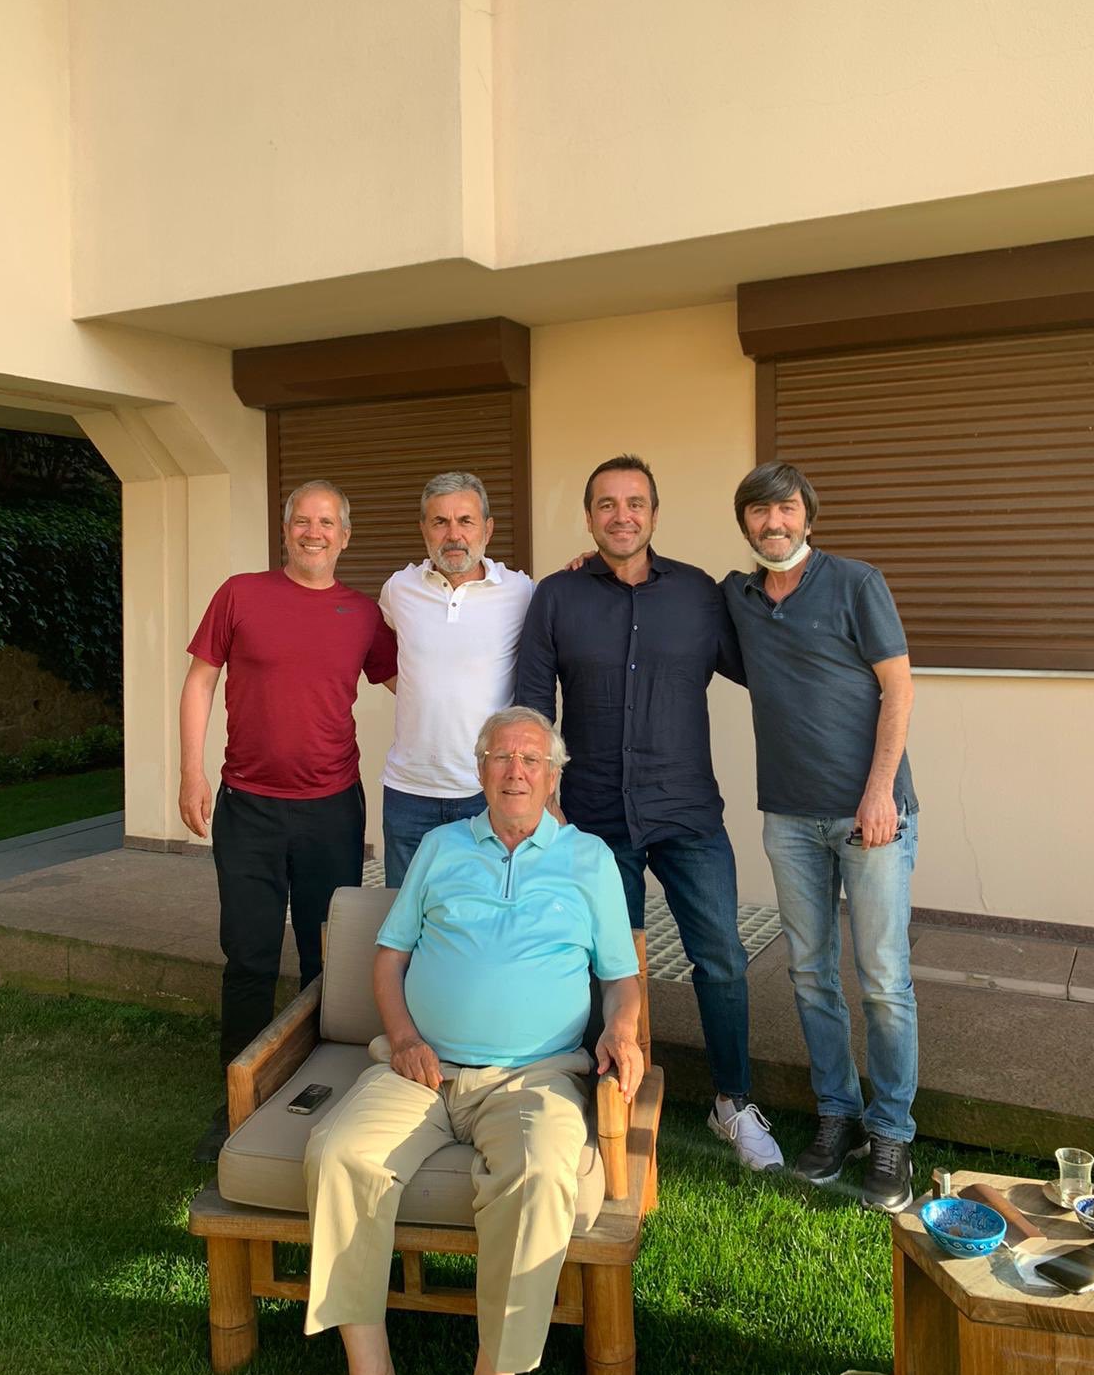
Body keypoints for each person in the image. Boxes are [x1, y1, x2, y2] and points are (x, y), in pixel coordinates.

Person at [303, 706, 642, 1375]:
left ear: (552, 777)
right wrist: (404, 1039)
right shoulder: (441, 847)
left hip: (536, 1078)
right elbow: (389, 957)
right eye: (501, 758)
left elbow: (620, 976)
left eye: (531, 760)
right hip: (422, 1069)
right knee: (340, 1152)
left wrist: (623, 1029)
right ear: (481, 771)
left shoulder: (589, 860)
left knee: (540, 1175)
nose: (516, 771)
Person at [515, 454, 783, 1172]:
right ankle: (605, 1092)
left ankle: (732, 1102)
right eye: (607, 504)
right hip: (595, 816)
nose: (622, 515)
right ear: (589, 517)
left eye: (635, 503)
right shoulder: (557, 597)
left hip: (687, 811)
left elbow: (766, 659)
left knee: (721, 957)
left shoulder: (699, 594)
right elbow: (533, 706)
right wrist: (544, 796)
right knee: (605, 962)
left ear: (655, 515)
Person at [179, 479, 397, 1159]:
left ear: (345, 536)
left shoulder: (363, 615)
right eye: (303, 520)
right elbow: (200, 680)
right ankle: (237, 1098)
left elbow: (417, 684)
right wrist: (191, 771)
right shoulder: (240, 594)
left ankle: (314, 1091)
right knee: (247, 955)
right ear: (285, 530)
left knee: (323, 956)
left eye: (327, 522)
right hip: (248, 808)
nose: (314, 532)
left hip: (331, 810)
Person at [722, 461, 918, 1212]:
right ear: (745, 522)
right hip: (789, 817)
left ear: (807, 515)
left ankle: (891, 1130)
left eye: (786, 510)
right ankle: (838, 1114)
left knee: (883, 979)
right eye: (759, 512)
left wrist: (879, 792)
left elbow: (898, 687)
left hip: (871, 813)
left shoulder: (857, 582)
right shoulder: (737, 598)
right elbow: (661, 592)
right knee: (810, 973)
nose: (773, 523)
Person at [378, 471, 534, 887]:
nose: (454, 535)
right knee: (406, 914)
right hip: (409, 791)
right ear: (423, 529)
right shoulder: (398, 589)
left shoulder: (522, 592)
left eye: (466, 521)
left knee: (484, 914)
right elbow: (388, 659)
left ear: (488, 528)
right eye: (440, 522)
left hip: (487, 791)